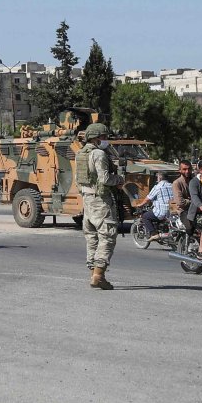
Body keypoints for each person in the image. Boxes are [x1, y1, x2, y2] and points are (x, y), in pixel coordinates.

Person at [77, 123, 121, 289]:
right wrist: (119, 180)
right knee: (107, 236)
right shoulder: (98, 154)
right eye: (103, 137)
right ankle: (99, 275)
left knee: (92, 237)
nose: (106, 140)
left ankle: (93, 273)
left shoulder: (81, 153)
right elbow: (104, 179)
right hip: (101, 200)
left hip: (87, 200)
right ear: (95, 138)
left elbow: (78, 181)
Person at [135, 172, 177, 238]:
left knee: (145, 216)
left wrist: (140, 204)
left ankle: (154, 234)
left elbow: (147, 199)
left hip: (162, 213)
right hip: (173, 212)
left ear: (160, 178)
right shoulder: (172, 185)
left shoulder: (158, 187)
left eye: (157, 177)